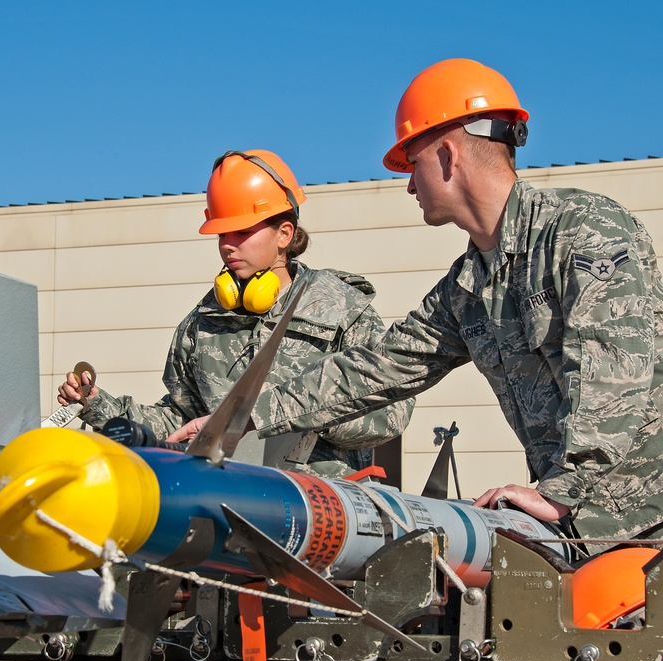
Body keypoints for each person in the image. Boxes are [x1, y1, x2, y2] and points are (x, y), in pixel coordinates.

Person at [172, 58, 663, 554]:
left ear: (448, 155)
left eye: (413, 165)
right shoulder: (467, 288)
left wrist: (563, 492)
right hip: (585, 531)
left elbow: (612, 373)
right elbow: (378, 367)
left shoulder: (584, 231)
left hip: (647, 521)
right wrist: (247, 415)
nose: (409, 185)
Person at [57, 149, 411, 478]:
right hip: (231, 502)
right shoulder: (201, 324)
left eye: (242, 231)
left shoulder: (342, 309)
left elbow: (391, 413)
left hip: (322, 510)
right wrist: (96, 404)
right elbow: (180, 420)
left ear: (284, 233)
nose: (228, 244)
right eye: (223, 233)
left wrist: (295, 412)